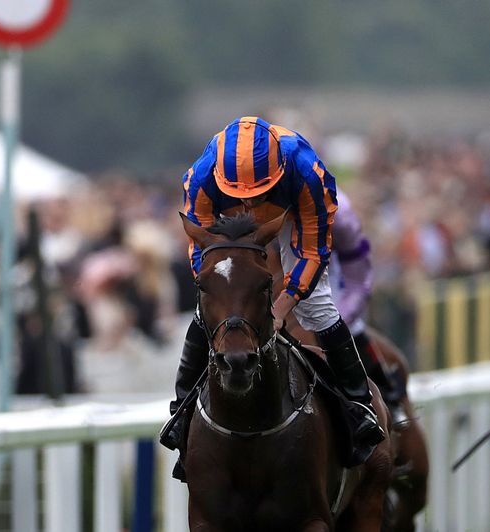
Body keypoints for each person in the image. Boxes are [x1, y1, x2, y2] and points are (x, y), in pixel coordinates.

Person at [165, 116, 386, 480]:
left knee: (317, 307)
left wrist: (281, 308)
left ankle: (359, 409)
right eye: (243, 195)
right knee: (212, 308)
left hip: (291, 211)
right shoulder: (201, 177)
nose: (250, 203)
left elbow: (314, 254)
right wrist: (224, 291)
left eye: (258, 192)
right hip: (233, 215)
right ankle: (181, 414)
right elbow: (199, 255)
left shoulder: (305, 171)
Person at [328, 191, 404, 409]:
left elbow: (359, 279)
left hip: (326, 274)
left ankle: (388, 393)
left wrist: (342, 317)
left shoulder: (338, 209)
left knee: (337, 319)